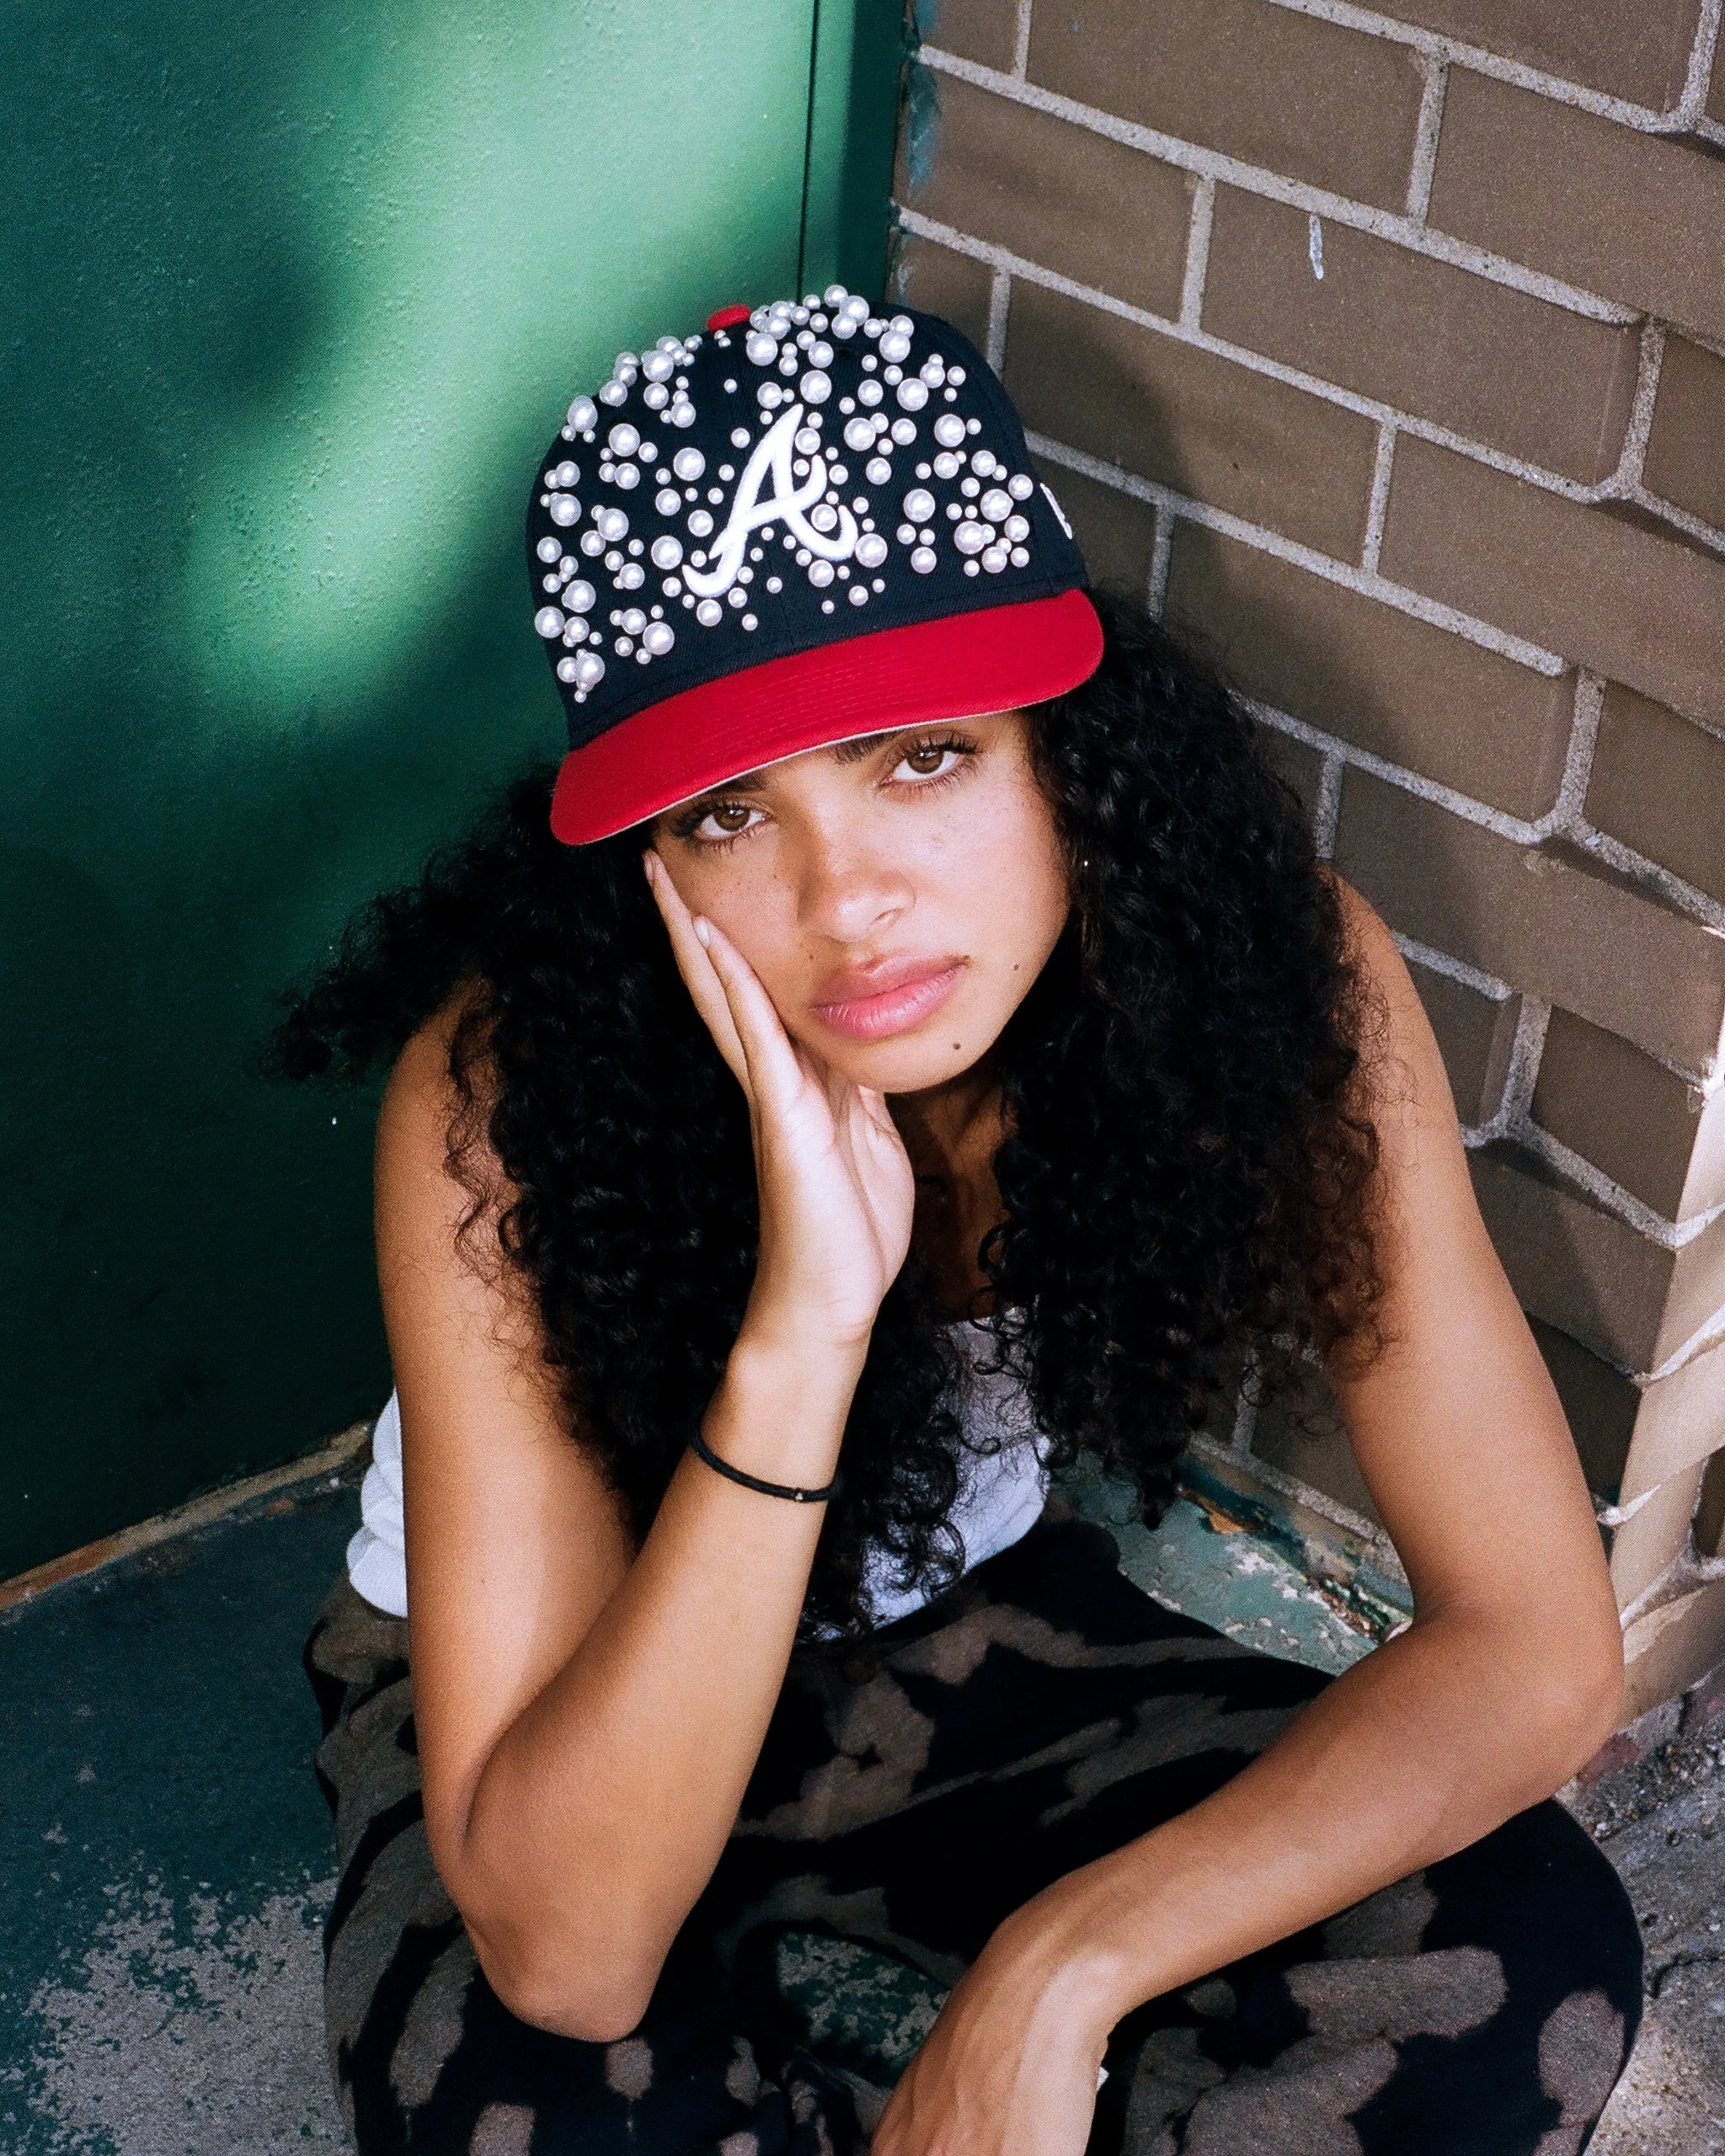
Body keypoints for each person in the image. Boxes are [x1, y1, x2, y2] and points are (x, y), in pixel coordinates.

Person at [281, 289, 1642, 2156]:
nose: (850, 902)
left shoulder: (1275, 976)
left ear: (1066, 750)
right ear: (641, 862)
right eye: (728, 811)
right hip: (576, 1697)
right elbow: (570, 1948)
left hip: (963, 1639)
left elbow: (1532, 1648)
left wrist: (1059, 1971)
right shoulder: (511, 1093)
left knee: (1522, 1945)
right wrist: (803, 1329)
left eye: (923, 755)